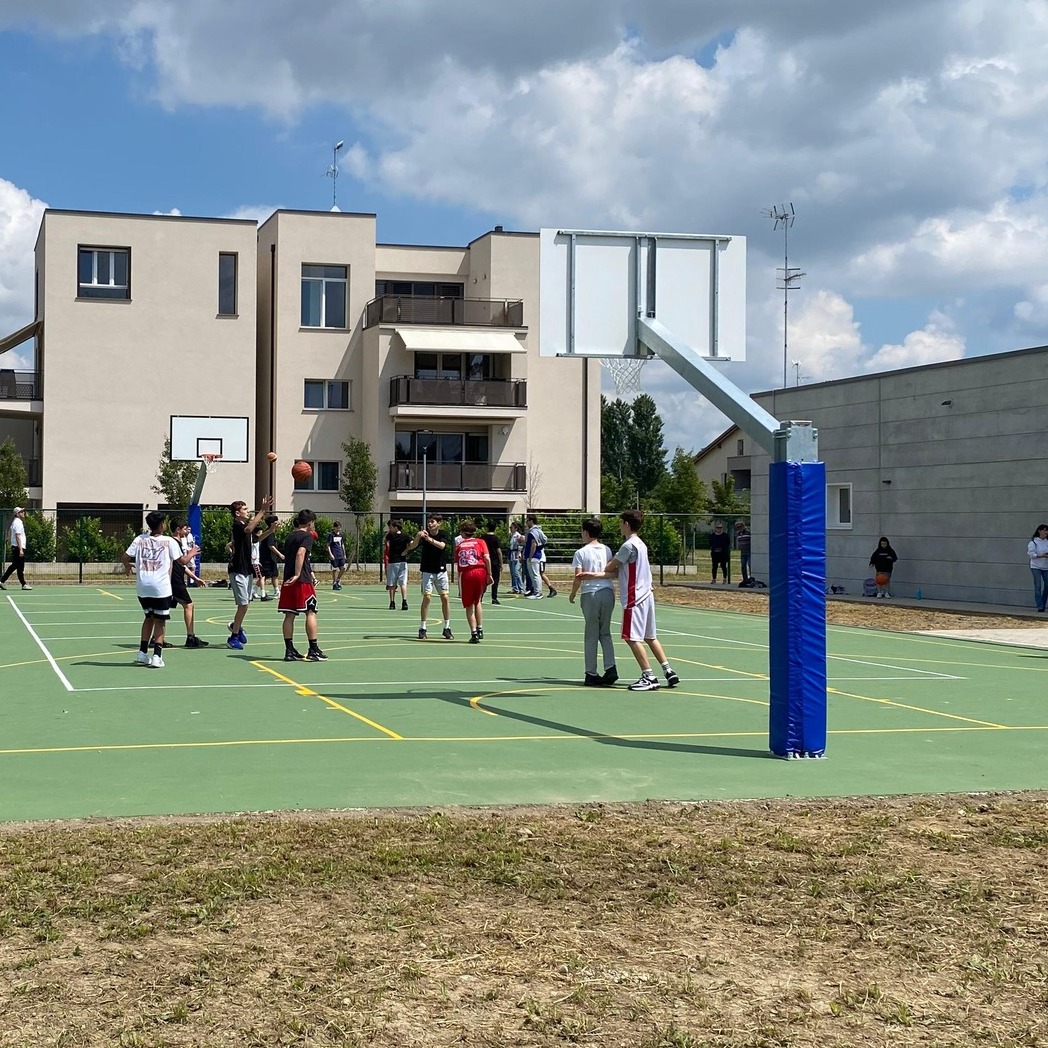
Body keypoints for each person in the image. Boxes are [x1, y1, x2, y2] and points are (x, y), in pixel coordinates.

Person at [582, 509, 679, 692]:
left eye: (621, 523)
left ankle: (649, 676)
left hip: (635, 597)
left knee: (631, 637)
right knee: (650, 636)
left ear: (627, 524)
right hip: (647, 594)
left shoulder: (628, 546)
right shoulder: (641, 544)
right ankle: (668, 670)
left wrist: (596, 571)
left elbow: (610, 567)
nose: (619, 526)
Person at [120, 511, 199, 668]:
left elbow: (125, 557)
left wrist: (127, 566)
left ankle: (142, 653)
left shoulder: (140, 539)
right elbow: (182, 561)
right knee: (160, 621)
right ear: (162, 525)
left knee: (148, 617)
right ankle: (157, 656)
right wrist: (192, 552)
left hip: (143, 587)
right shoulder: (168, 541)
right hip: (160, 587)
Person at [568, 518, 618, 686]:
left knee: (591, 634)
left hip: (590, 593)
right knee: (605, 632)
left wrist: (573, 594)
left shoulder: (581, 552)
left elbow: (578, 577)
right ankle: (610, 667)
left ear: (586, 532)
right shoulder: (606, 550)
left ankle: (591, 672)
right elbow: (613, 572)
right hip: (607, 592)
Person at [278, 508, 327, 661]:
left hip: (288, 579)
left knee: (289, 614)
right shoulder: (306, 536)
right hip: (302, 580)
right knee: (311, 612)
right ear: (310, 523)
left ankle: (289, 650)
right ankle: (313, 649)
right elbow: (300, 553)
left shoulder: (290, 536)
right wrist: (298, 574)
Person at [226, 495, 274, 649]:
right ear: (237, 513)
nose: (248, 511)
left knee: (246, 604)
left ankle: (236, 625)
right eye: (245, 509)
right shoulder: (238, 526)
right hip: (238, 570)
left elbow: (256, 539)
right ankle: (233, 637)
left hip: (247, 569)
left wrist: (270, 530)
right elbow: (248, 529)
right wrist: (262, 511)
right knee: (243, 604)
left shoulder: (246, 528)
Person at [406, 513, 454, 639]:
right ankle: (422, 628)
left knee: (445, 597)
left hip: (441, 571)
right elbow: (412, 546)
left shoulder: (443, 534)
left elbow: (442, 546)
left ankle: (447, 627)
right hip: (427, 571)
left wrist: (429, 540)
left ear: (439, 523)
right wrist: (418, 537)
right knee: (427, 598)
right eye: (429, 521)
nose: (430, 524)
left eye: (432, 521)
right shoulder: (423, 535)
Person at [170, 520, 209, 648]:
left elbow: (182, 566)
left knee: (163, 609)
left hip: (174, 579)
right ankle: (190, 637)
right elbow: (183, 562)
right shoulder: (173, 543)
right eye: (185, 529)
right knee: (188, 605)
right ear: (178, 530)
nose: (187, 531)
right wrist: (192, 553)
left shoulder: (178, 543)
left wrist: (195, 578)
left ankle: (156, 637)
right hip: (174, 580)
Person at [455, 520, 493, 643]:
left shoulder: (460, 545)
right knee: (478, 601)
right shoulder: (481, 542)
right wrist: (489, 574)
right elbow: (487, 558)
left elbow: (458, 563)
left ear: (463, 533)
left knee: (468, 604)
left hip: (467, 573)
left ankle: (474, 632)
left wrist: (459, 586)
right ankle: (480, 628)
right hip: (480, 571)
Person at [0, 506, 30, 590]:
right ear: (17, 514)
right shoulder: (18, 523)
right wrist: (20, 549)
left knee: (15, 566)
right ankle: (23, 584)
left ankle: (2, 581)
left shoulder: (16, 522)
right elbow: (18, 536)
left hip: (16, 547)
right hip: (18, 547)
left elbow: (11, 534)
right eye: (21, 512)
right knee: (19, 566)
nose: (23, 513)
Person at [384, 518, 411, 610]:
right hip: (403, 562)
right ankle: (404, 602)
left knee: (392, 584)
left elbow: (386, 542)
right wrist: (407, 551)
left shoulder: (391, 536)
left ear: (395, 527)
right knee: (403, 583)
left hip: (393, 562)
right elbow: (412, 544)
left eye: (391, 527)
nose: (390, 529)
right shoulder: (405, 535)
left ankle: (392, 602)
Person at [258, 513, 283, 601]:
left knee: (268, 575)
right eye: (276, 522)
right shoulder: (270, 533)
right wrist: (280, 554)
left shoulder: (270, 532)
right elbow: (270, 545)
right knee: (270, 575)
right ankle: (277, 591)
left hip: (268, 557)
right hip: (268, 557)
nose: (278, 524)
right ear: (272, 524)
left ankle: (254, 590)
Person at [481, 520, 503, 604]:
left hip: (484, 561)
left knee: (484, 580)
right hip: (494, 561)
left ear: (487, 528)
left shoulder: (482, 538)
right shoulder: (496, 538)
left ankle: (480, 596)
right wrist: (501, 563)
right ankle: (494, 597)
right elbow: (499, 551)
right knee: (495, 580)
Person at [1027, 524, 1048, 612]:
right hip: (1036, 566)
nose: (1046, 532)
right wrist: (1041, 555)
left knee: (1047, 585)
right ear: (1039, 531)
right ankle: (1040, 605)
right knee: (1038, 585)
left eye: (1047, 530)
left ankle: (1043, 603)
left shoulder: (1047, 542)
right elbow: (1031, 554)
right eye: (1044, 530)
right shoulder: (1033, 542)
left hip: (1046, 567)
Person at [709, 520, 730, 584]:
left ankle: (724, 578)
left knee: (723, 566)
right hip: (715, 553)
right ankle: (714, 579)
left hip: (723, 553)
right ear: (715, 528)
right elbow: (710, 543)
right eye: (718, 527)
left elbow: (728, 543)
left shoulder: (725, 535)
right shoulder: (712, 535)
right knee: (714, 566)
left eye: (720, 527)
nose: (719, 529)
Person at [507, 520, 525, 595]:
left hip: (515, 554)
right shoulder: (512, 535)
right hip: (511, 554)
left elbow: (520, 546)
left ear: (516, 528)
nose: (510, 529)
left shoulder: (518, 536)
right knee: (512, 572)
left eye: (512, 527)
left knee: (516, 572)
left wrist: (518, 555)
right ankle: (515, 588)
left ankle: (521, 588)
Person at [328, 521, 347, 590]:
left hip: (340, 554)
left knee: (343, 568)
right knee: (335, 569)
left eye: (339, 528)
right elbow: (328, 545)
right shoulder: (331, 535)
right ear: (334, 527)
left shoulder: (341, 535)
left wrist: (344, 554)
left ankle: (338, 580)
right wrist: (330, 554)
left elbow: (342, 545)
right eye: (337, 528)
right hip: (334, 554)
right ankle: (334, 583)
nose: (338, 529)